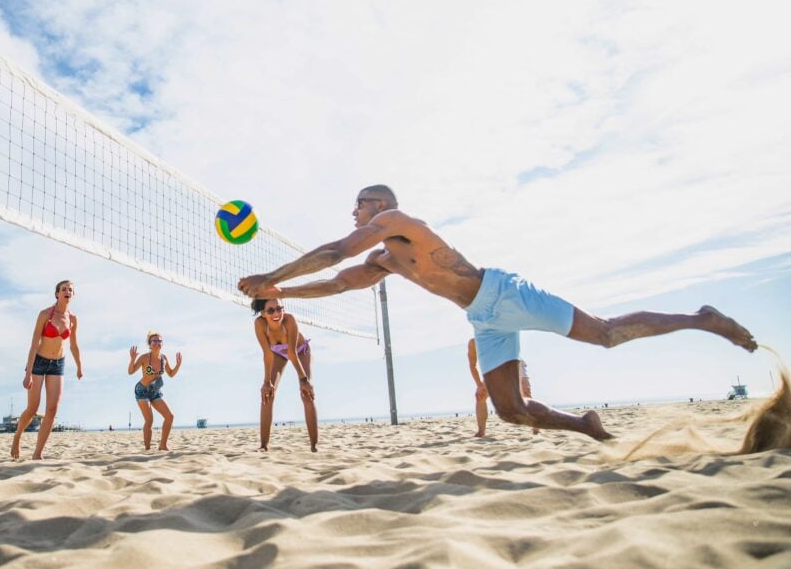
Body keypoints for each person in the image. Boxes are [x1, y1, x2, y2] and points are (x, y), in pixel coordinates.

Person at [238, 184, 757, 441]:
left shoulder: (398, 221)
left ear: (379, 205)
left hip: (504, 293)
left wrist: (272, 278)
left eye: (360, 203)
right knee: (511, 410)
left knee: (604, 335)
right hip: (483, 320)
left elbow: (335, 252)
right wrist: (279, 296)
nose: (354, 210)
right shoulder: (384, 261)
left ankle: (702, 318)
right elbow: (336, 282)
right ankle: (588, 426)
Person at [11, 280, 83, 460]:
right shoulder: (44, 314)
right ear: (57, 294)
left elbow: (74, 345)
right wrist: (28, 374)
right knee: (33, 408)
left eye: (70, 290)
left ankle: (37, 454)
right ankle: (17, 436)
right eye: (64, 289)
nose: (67, 292)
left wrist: (79, 366)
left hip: (58, 364)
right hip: (39, 362)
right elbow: (34, 344)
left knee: (52, 410)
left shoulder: (73, 319)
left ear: (73, 295)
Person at [252, 298, 319, 452]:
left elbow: (292, 352)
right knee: (267, 394)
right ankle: (263, 446)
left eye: (279, 308)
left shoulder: (289, 320)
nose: (276, 313)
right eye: (271, 310)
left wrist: (304, 380)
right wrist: (267, 382)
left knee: (306, 394)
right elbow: (267, 354)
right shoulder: (259, 324)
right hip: (277, 354)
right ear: (263, 313)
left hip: (300, 352)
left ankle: (314, 446)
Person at [468, 338, 538, 437]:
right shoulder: (473, 343)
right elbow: (472, 366)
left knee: (525, 393)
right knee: (480, 396)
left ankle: (535, 427)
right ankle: (481, 431)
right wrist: (479, 385)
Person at [127, 331, 182, 451]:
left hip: (155, 391)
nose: (157, 343)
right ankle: (147, 448)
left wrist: (178, 365)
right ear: (150, 344)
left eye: (159, 341)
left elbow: (171, 374)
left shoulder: (164, 358)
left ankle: (163, 445)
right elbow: (130, 372)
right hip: (142, 390)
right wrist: (132, 359)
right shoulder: (144, 358)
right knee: (149, 420)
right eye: (154, 341)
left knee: (169, 416)